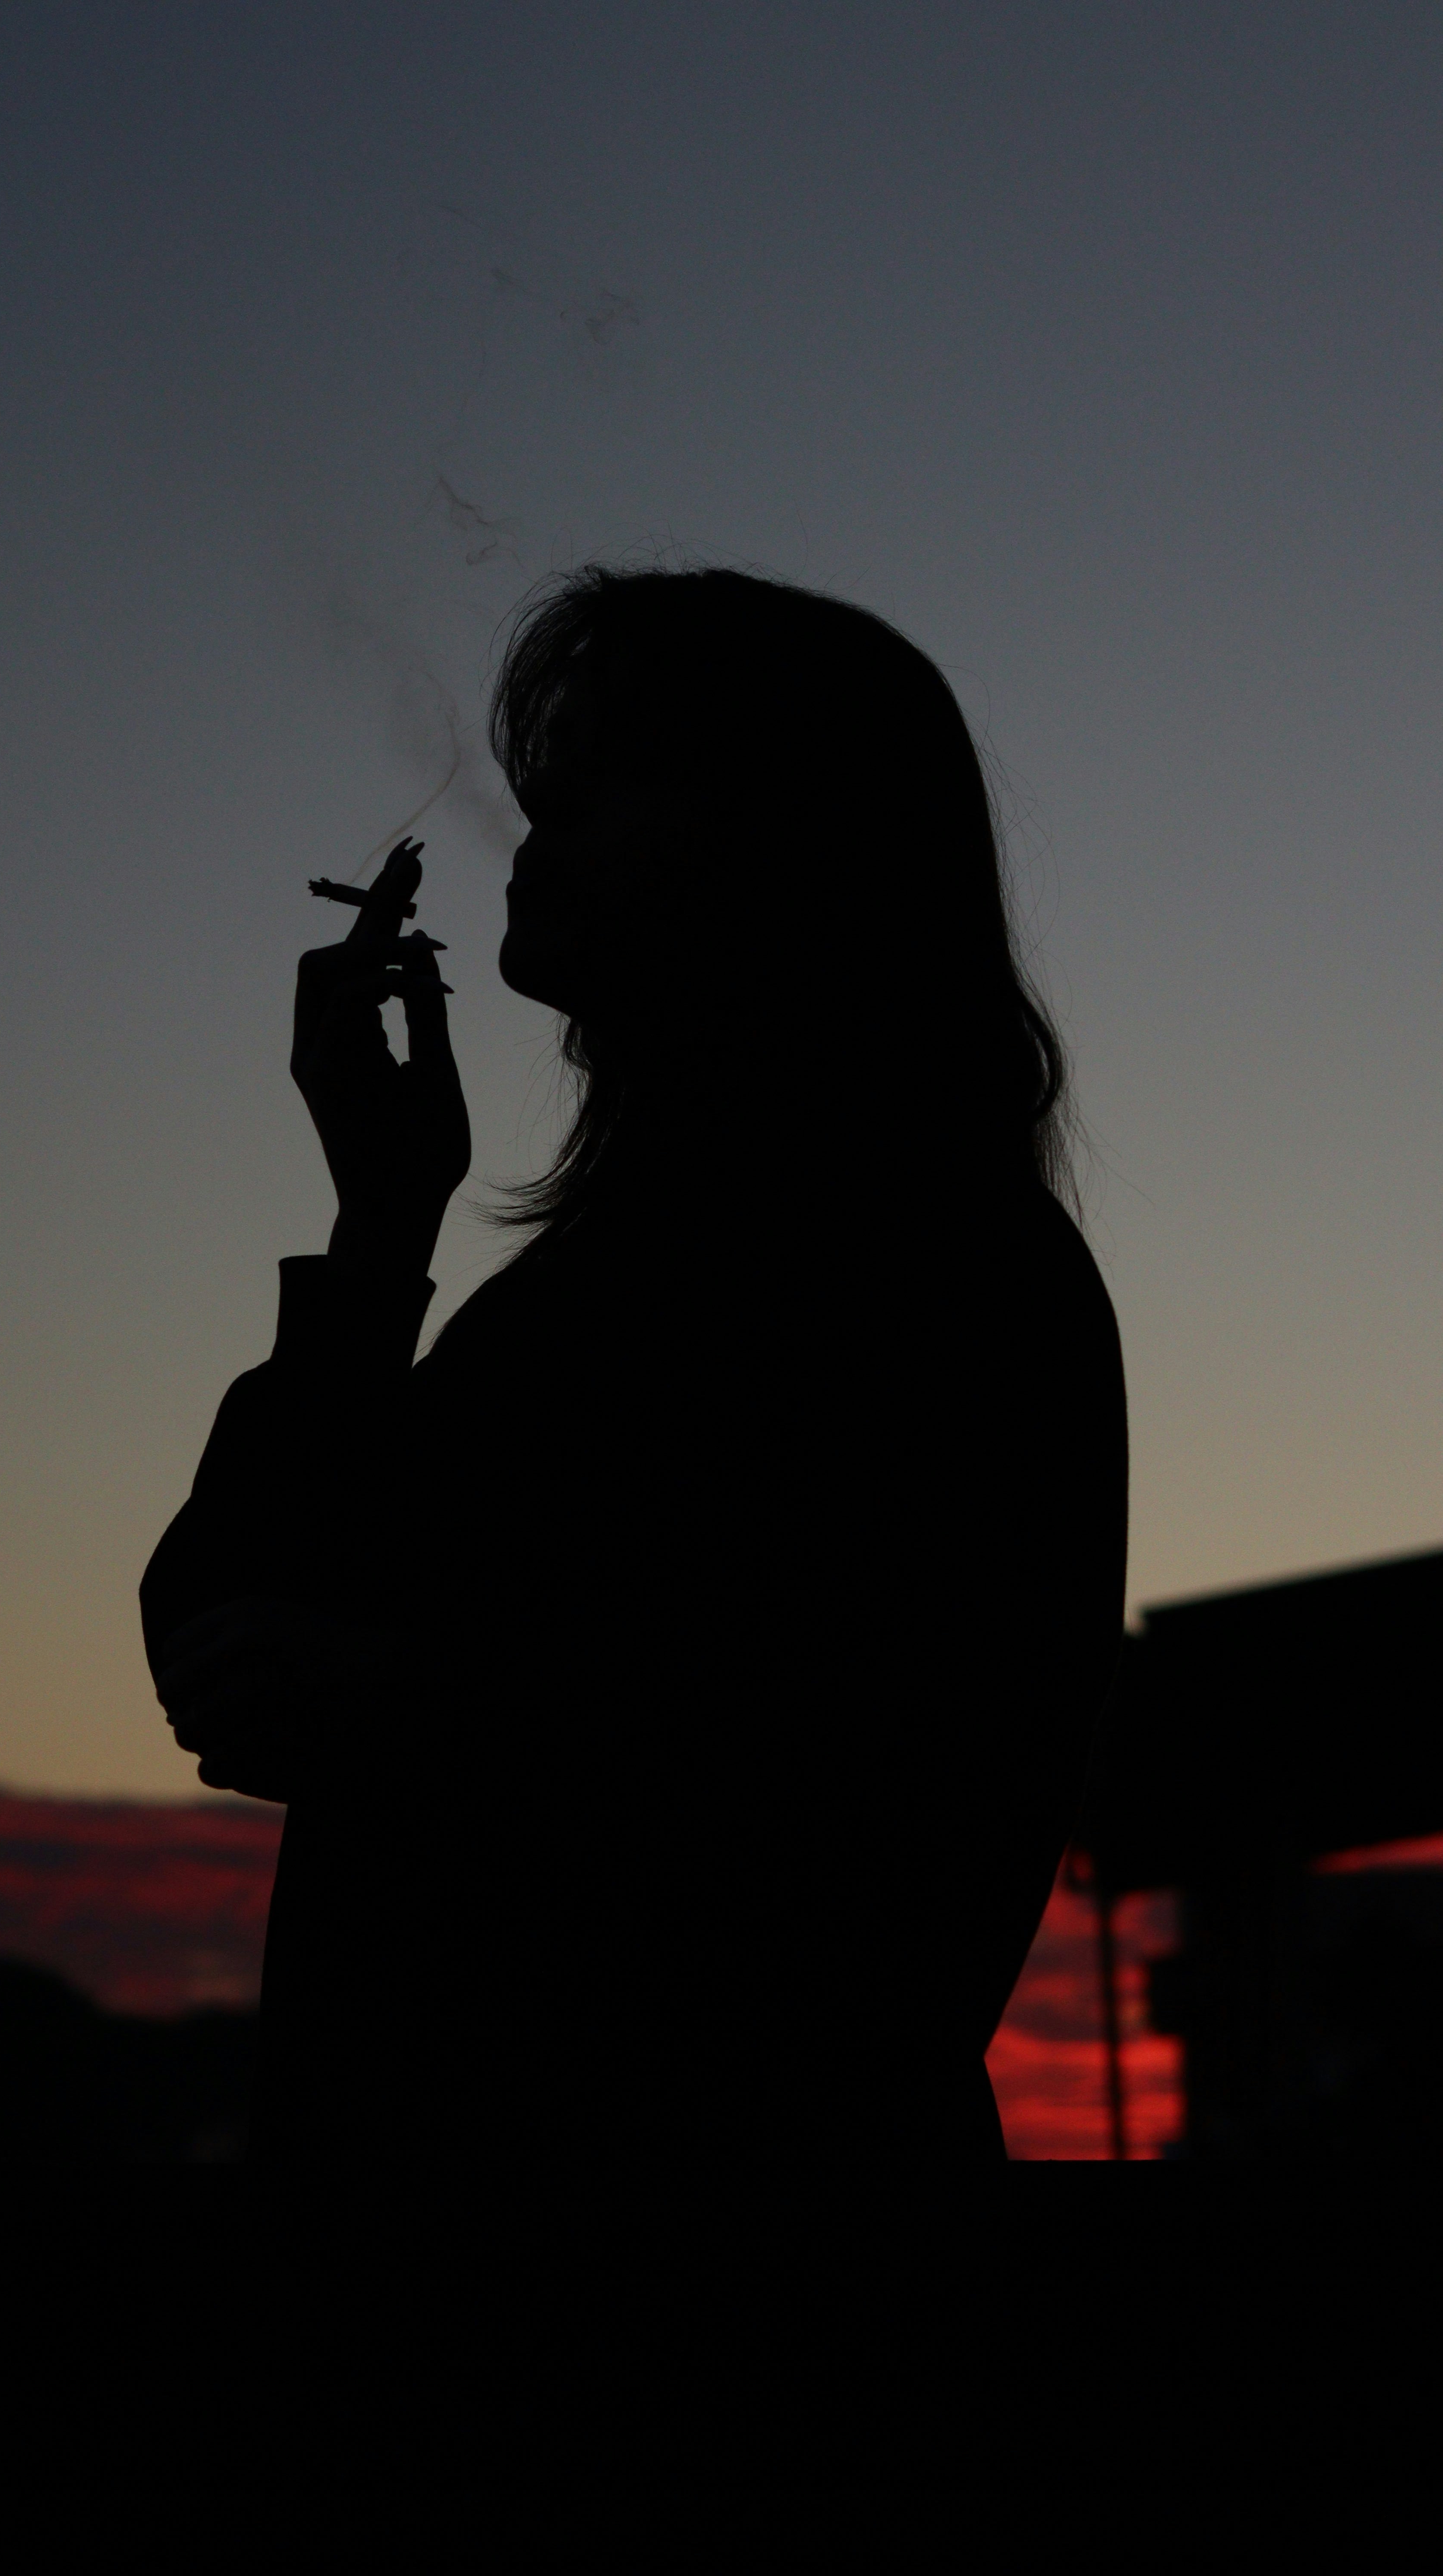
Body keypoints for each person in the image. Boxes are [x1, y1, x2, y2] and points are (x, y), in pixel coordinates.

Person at [140, 565, 1128, 2224]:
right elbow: (230, 1627)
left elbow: (865, 1831)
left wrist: (403, 1709)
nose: (535, 833)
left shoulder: (942, 1270)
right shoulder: (604, 1290)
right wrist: (381, 1231)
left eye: (605, 782)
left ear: (785, 840)